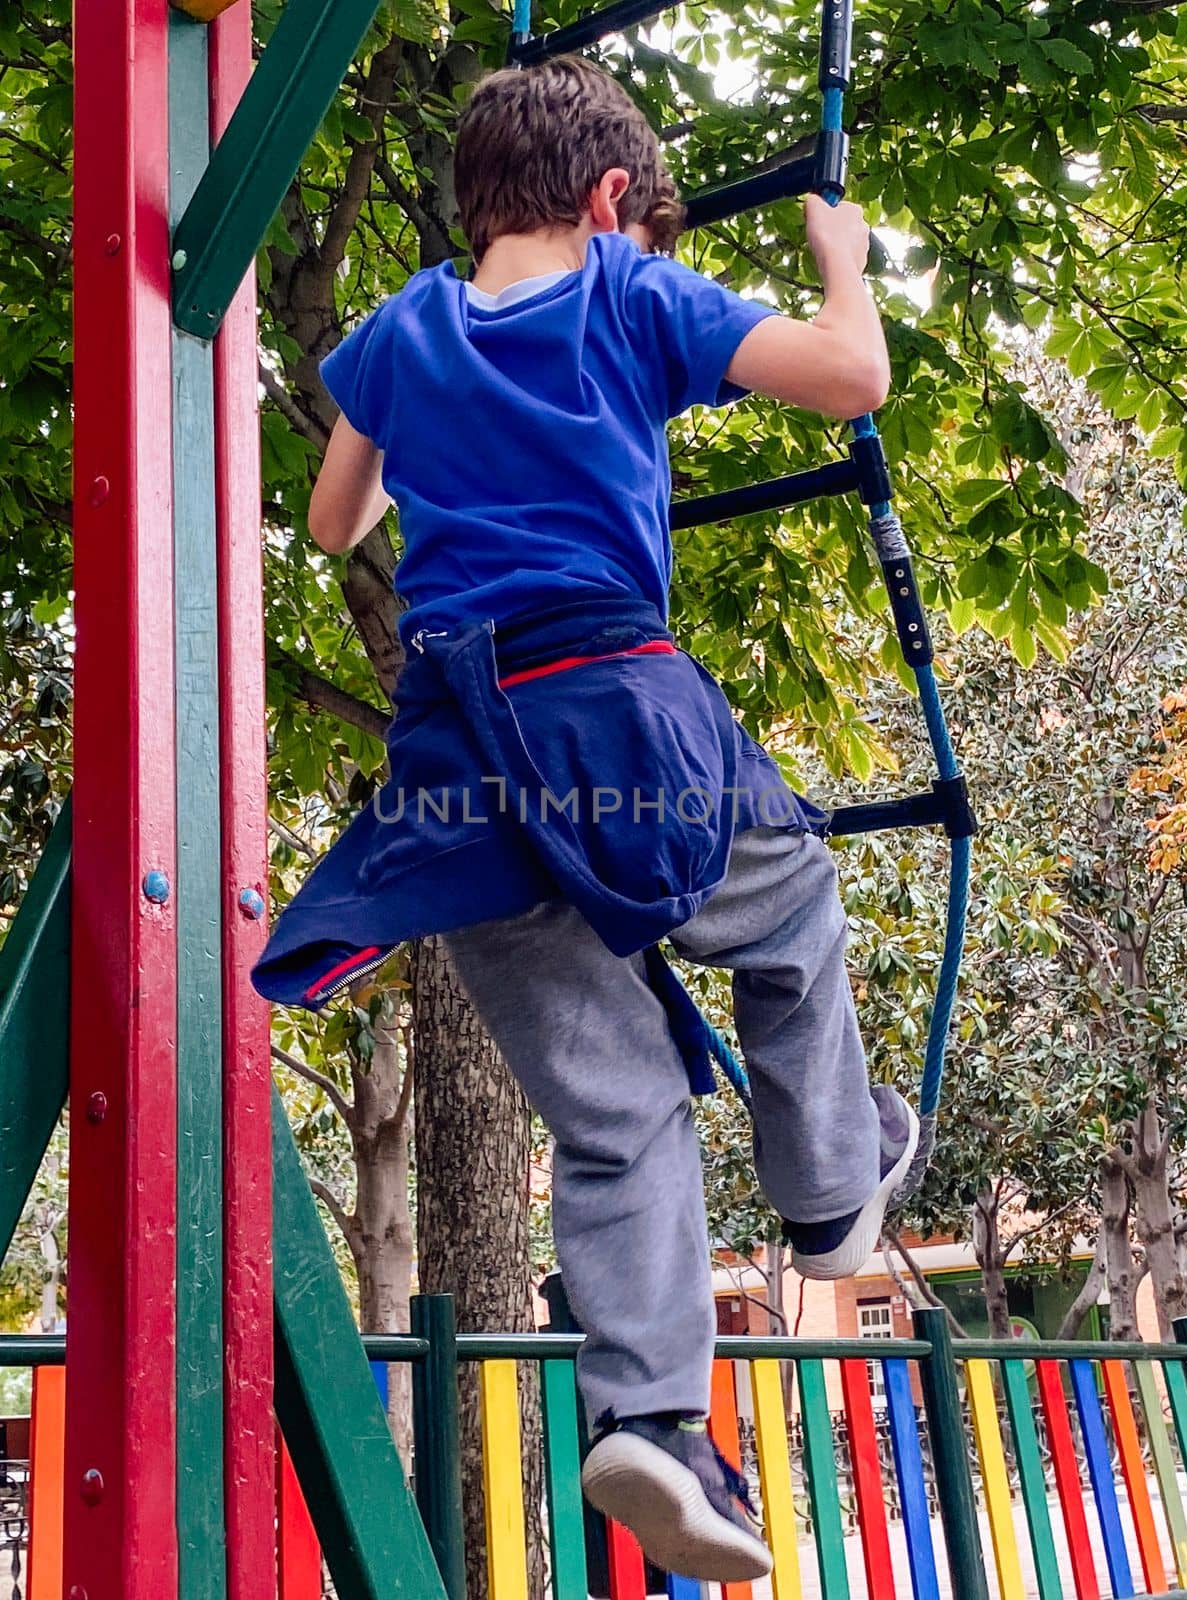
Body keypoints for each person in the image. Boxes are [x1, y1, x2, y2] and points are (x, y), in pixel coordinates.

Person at [252, 55, 917, 1580]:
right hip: (615, 708)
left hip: (452, 766)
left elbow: (334, 521)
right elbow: (850, 379)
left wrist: (407, 424)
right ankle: (830, 1193)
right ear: (613, 201)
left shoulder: (401, 331)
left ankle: (652, 1419)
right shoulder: (629, 293)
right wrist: (840, 267)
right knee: (791, 895)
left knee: (615, 1113)